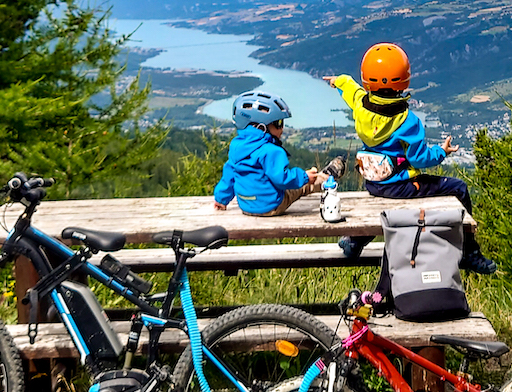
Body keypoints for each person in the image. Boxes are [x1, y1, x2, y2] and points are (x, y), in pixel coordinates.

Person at [323, 42, 497, 275]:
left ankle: (354, 242)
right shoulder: (407, 120)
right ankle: (469, 252)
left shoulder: (359, 106)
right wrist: (442, 152)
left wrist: (337, 81)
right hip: (402, 186)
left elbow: (350, 88)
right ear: (404, 79)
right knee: (459, 189)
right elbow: (420, 158)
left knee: (383, 205)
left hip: (374, 184)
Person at [213, 91, 323, 216]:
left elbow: (229, 176)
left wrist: (221, 200)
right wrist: (304, 177)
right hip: (271, 206)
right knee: (302, 187)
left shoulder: (236, 147)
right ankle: (324, 179)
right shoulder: (271, 151)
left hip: (246, 206)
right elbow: (282, 179)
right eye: (278, 123)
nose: (282, 128)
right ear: (260, 127)